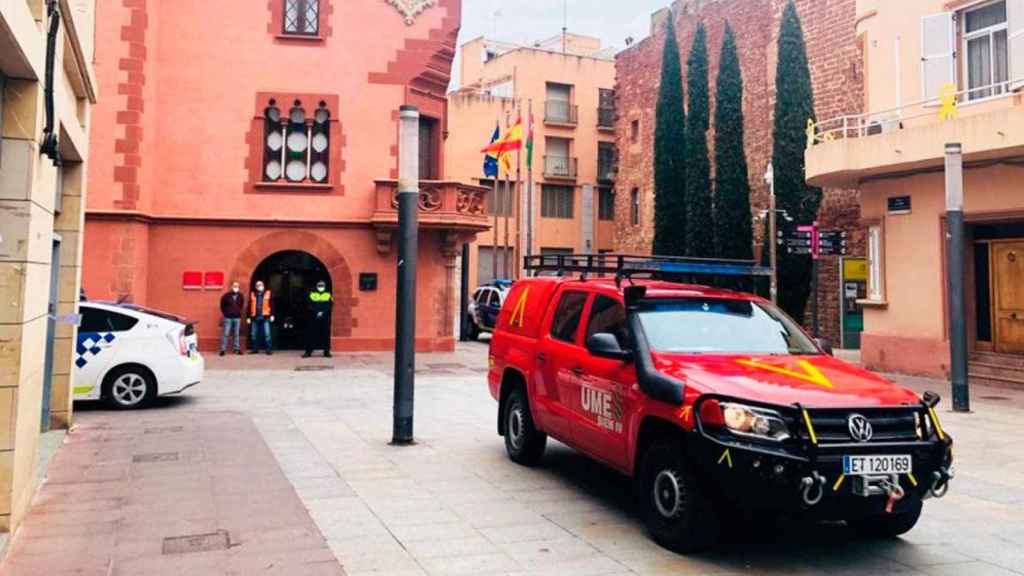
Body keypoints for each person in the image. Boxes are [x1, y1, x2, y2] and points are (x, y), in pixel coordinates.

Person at [303, 280, 333, 358]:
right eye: (319, 285)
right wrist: (316, 312)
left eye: (322, 285)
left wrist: (323, 312)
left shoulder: (328, 294)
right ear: (316, 286)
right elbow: (308, 304)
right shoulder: (312, 294)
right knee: (310, 334)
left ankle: (326, 351)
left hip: (324, 317)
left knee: (325, 334)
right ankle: (308, 351)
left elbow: (330, 305)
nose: (321, 287)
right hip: (313, 317)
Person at [248, 280, 274, 355]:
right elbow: (249, 306)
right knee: (253, 334)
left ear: (263, 285)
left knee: (267, 334)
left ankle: (268, 349)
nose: (260, 286)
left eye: (261, 285)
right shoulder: (253, 294)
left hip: (265, 316)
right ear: (256, 287)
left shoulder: (268, 293)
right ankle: (254, 349)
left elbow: (272, 304)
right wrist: (248, 317)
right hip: (254, 317)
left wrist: (272, 314)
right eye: (258, 285)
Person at [219, 281, 244, 356]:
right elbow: (222, 305)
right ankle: (223, 350)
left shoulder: (240, 296)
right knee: (226, 333)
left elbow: (241, 305)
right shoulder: (226, 296)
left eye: (237, 286)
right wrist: (226, 313)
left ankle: (236, 349)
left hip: (237, 318)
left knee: (236, 334)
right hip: (228, 318)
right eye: (234, 286)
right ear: (231, 287)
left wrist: (238, 312)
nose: (236, 287)